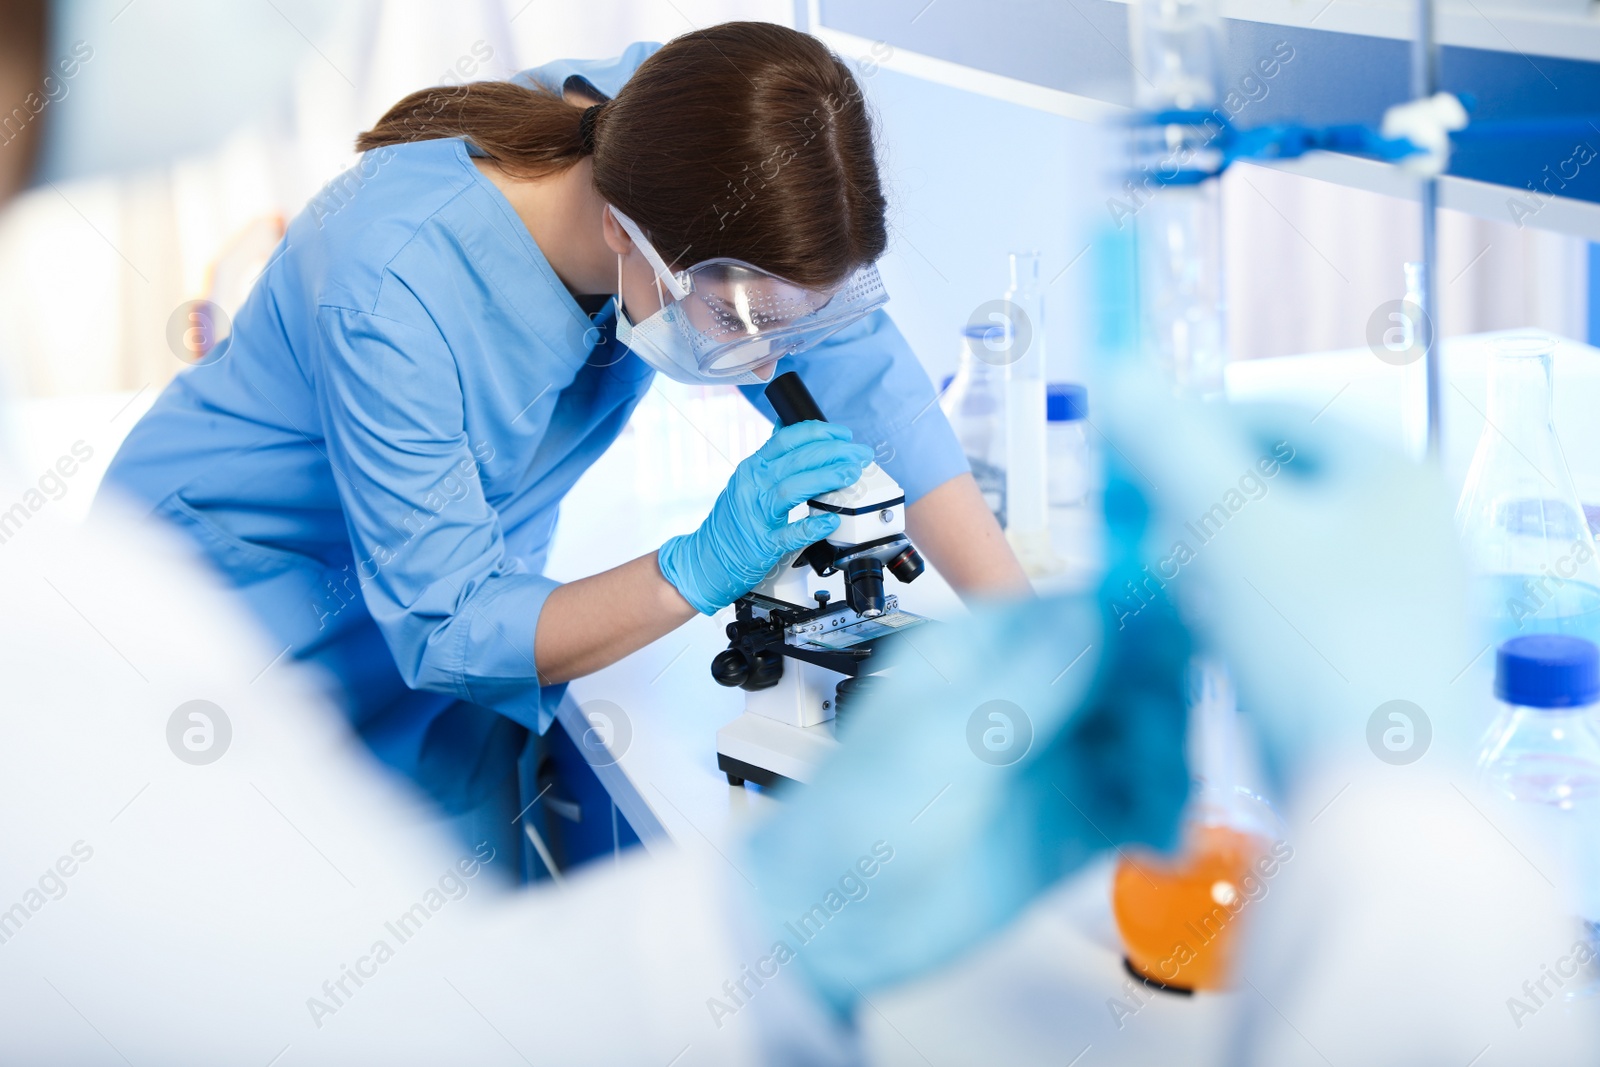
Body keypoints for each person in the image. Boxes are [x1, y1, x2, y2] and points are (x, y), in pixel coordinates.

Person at [90, 23, 1031, 829]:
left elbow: (870, 385)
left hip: (462, 626)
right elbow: (450, 625)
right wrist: (696, 567)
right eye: (747, 328)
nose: (777, 365)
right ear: (627, 234)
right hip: (228, 623)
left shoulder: (682, 131)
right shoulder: (396, 283)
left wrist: (1037, 650)